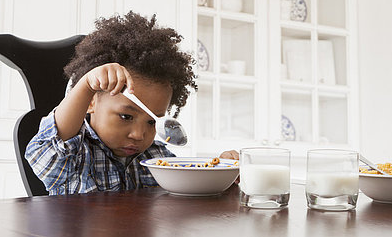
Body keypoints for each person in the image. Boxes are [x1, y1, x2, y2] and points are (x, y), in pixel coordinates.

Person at [25, 11, 238, 195]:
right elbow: (49, 146)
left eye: (152, 122)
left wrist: (222, 172)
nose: (139, 135)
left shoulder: (156, 156)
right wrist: (86, 85)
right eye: (126, 116)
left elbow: (186, 192)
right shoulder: (74, 156)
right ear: (91, 102)